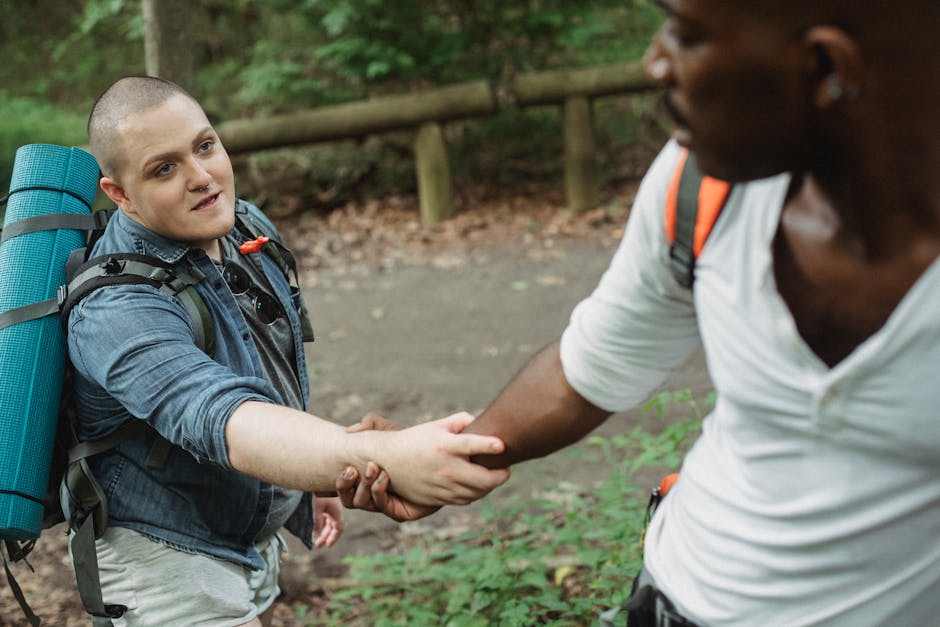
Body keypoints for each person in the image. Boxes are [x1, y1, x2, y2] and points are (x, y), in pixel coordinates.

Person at [337, 0, 940, 624]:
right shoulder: (700, 188)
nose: (654, 63)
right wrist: (434, 459)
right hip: (671, 596)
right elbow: (589, 369)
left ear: (824, 66)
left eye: (685, 34)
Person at [69, 75, 510, 626]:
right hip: (165, 562)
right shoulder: (114, 309)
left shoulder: (246, 227)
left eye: (205, 146)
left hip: (244, 532)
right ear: (120, 194)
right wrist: (379, 455)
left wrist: (311, 475)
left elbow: (268, 368)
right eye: (165, 169)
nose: (202, 177)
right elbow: (221, 417)